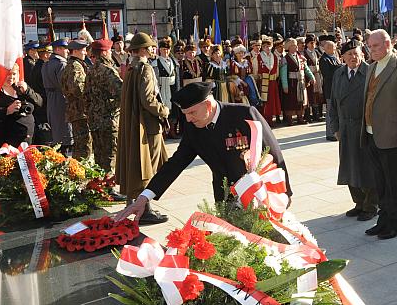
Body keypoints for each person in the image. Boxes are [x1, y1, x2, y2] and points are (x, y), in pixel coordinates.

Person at [115, 82, 292, 222]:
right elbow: (175, 163)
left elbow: (275, 155)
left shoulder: (244, 114)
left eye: (192, 112)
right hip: (225, 199)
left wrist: (286, 194)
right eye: (184, 114)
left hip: (259, 195)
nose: (188, 119)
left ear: (208, 104)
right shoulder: (194, 128)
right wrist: (144, 198)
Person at [360, 29, 397, 240]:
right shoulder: (372, 67)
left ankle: (395, 223)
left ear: (387, 44)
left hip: (392, 135)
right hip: (371, 133)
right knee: (380, 182)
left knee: (394, 182)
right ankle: (382, 220)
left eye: (375, 46)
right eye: (369, 46)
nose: (371, 50)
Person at [115, 33, 170, 224]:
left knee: (137, 164)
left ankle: (133, 203)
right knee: (148, 166)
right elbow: (148, 100)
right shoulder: (145, 69)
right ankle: (145, 210)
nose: (154, 49)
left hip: (136, 123)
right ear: (144, 49)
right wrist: (164, 111)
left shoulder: (131, 68)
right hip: (147, 125)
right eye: (151, 47)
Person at [328, 39, 378, 221]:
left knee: (367, 168)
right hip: (345, 128)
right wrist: (334, 128)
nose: (353, 57)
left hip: (364, 127)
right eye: (349, 54)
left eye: (356, 53)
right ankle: (358, 203)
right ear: (342, 57)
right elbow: (333, 102)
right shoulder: (339, 74)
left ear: (362, 54)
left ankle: (371, 205)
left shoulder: (370, 72)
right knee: (349, 167)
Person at [0, 64, 42, 151]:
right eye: (8, 74)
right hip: (5, 143)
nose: (11, 77)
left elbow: (40, 103)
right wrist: (7, 111)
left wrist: (27, 91)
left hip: (27, 140)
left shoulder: (20, 88)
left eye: (14, 74)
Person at [85, 38, 123, 178]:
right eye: (109, 50)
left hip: (95, 119)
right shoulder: (108, 71)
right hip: (109, 119)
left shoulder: (90, 70)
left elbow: (86, 96)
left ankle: (99, 183)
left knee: (99, 154)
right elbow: (122, 93)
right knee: (110, 155)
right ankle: (109, 187)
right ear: (105, 52)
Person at [60, 39, 92, 160]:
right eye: (83, 50)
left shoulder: (74, 64)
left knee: (82, 144)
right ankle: (81, 171)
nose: (85, 53)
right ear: (76, 51)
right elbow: (79, 90)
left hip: (78, 111)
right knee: (84, 145)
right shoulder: (75, 66)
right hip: (80, 111)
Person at [41, 38, 72, 151]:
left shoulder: (46, 64)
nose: (67, 51)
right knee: (64, 131)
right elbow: (65, 84)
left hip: (50, 98)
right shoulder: (61, 64)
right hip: (61, 98)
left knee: (56, 130)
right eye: (65, 49)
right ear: (58, 49)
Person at [280, 38, 315, 125]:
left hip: (301, 82)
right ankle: (289, 119)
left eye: (296, 46)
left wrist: (312, 77)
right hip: (291, 82)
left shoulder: (300, 57)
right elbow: (283, 73)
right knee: (290, 101)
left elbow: (306, 69)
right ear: (289, 47)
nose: (296, 47)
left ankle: (300, 118)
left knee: (301, 100)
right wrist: (285, 85)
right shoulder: (285, 59)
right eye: (294, 46)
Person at [28, 42, 52, 144]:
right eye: (50, 52)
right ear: (46, 54)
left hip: (38, 101)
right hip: (42, 102)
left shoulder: (37, 66)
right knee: (44, 131)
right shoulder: (43, 68)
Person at [319, 37, 342, 141]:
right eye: (332, 47)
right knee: (330, 112)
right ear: (327, 48)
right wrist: (339, 68)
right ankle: (330, 133)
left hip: (338, 88)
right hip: (330, 89)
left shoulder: (335, 57)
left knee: (337, 111)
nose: (334, 49)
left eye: (334, 47)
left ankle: (337, 132)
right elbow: (327, 74)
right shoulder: (324, 59)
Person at [257, 36, 282, 125]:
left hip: (272, 82)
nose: (267, 48)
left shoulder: (274, 57)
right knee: (264, 101)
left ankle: (270, 119)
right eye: (265, 46)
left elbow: (277, 70)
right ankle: (264, 120)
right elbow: (257, 69)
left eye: (269, 46)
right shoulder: (259, 57)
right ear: (262, 47)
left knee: (272, 101)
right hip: (263, 81)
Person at [303, 34, 324, 121]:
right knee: (310, 96)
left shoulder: (316, 52)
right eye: (311, 43)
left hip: (317, 75)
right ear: (307, 44)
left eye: (314, 43)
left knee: (317, 95)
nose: (313, 44)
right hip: (309, 77)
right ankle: (308, 115)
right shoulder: (304, 53)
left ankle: (317, 114)